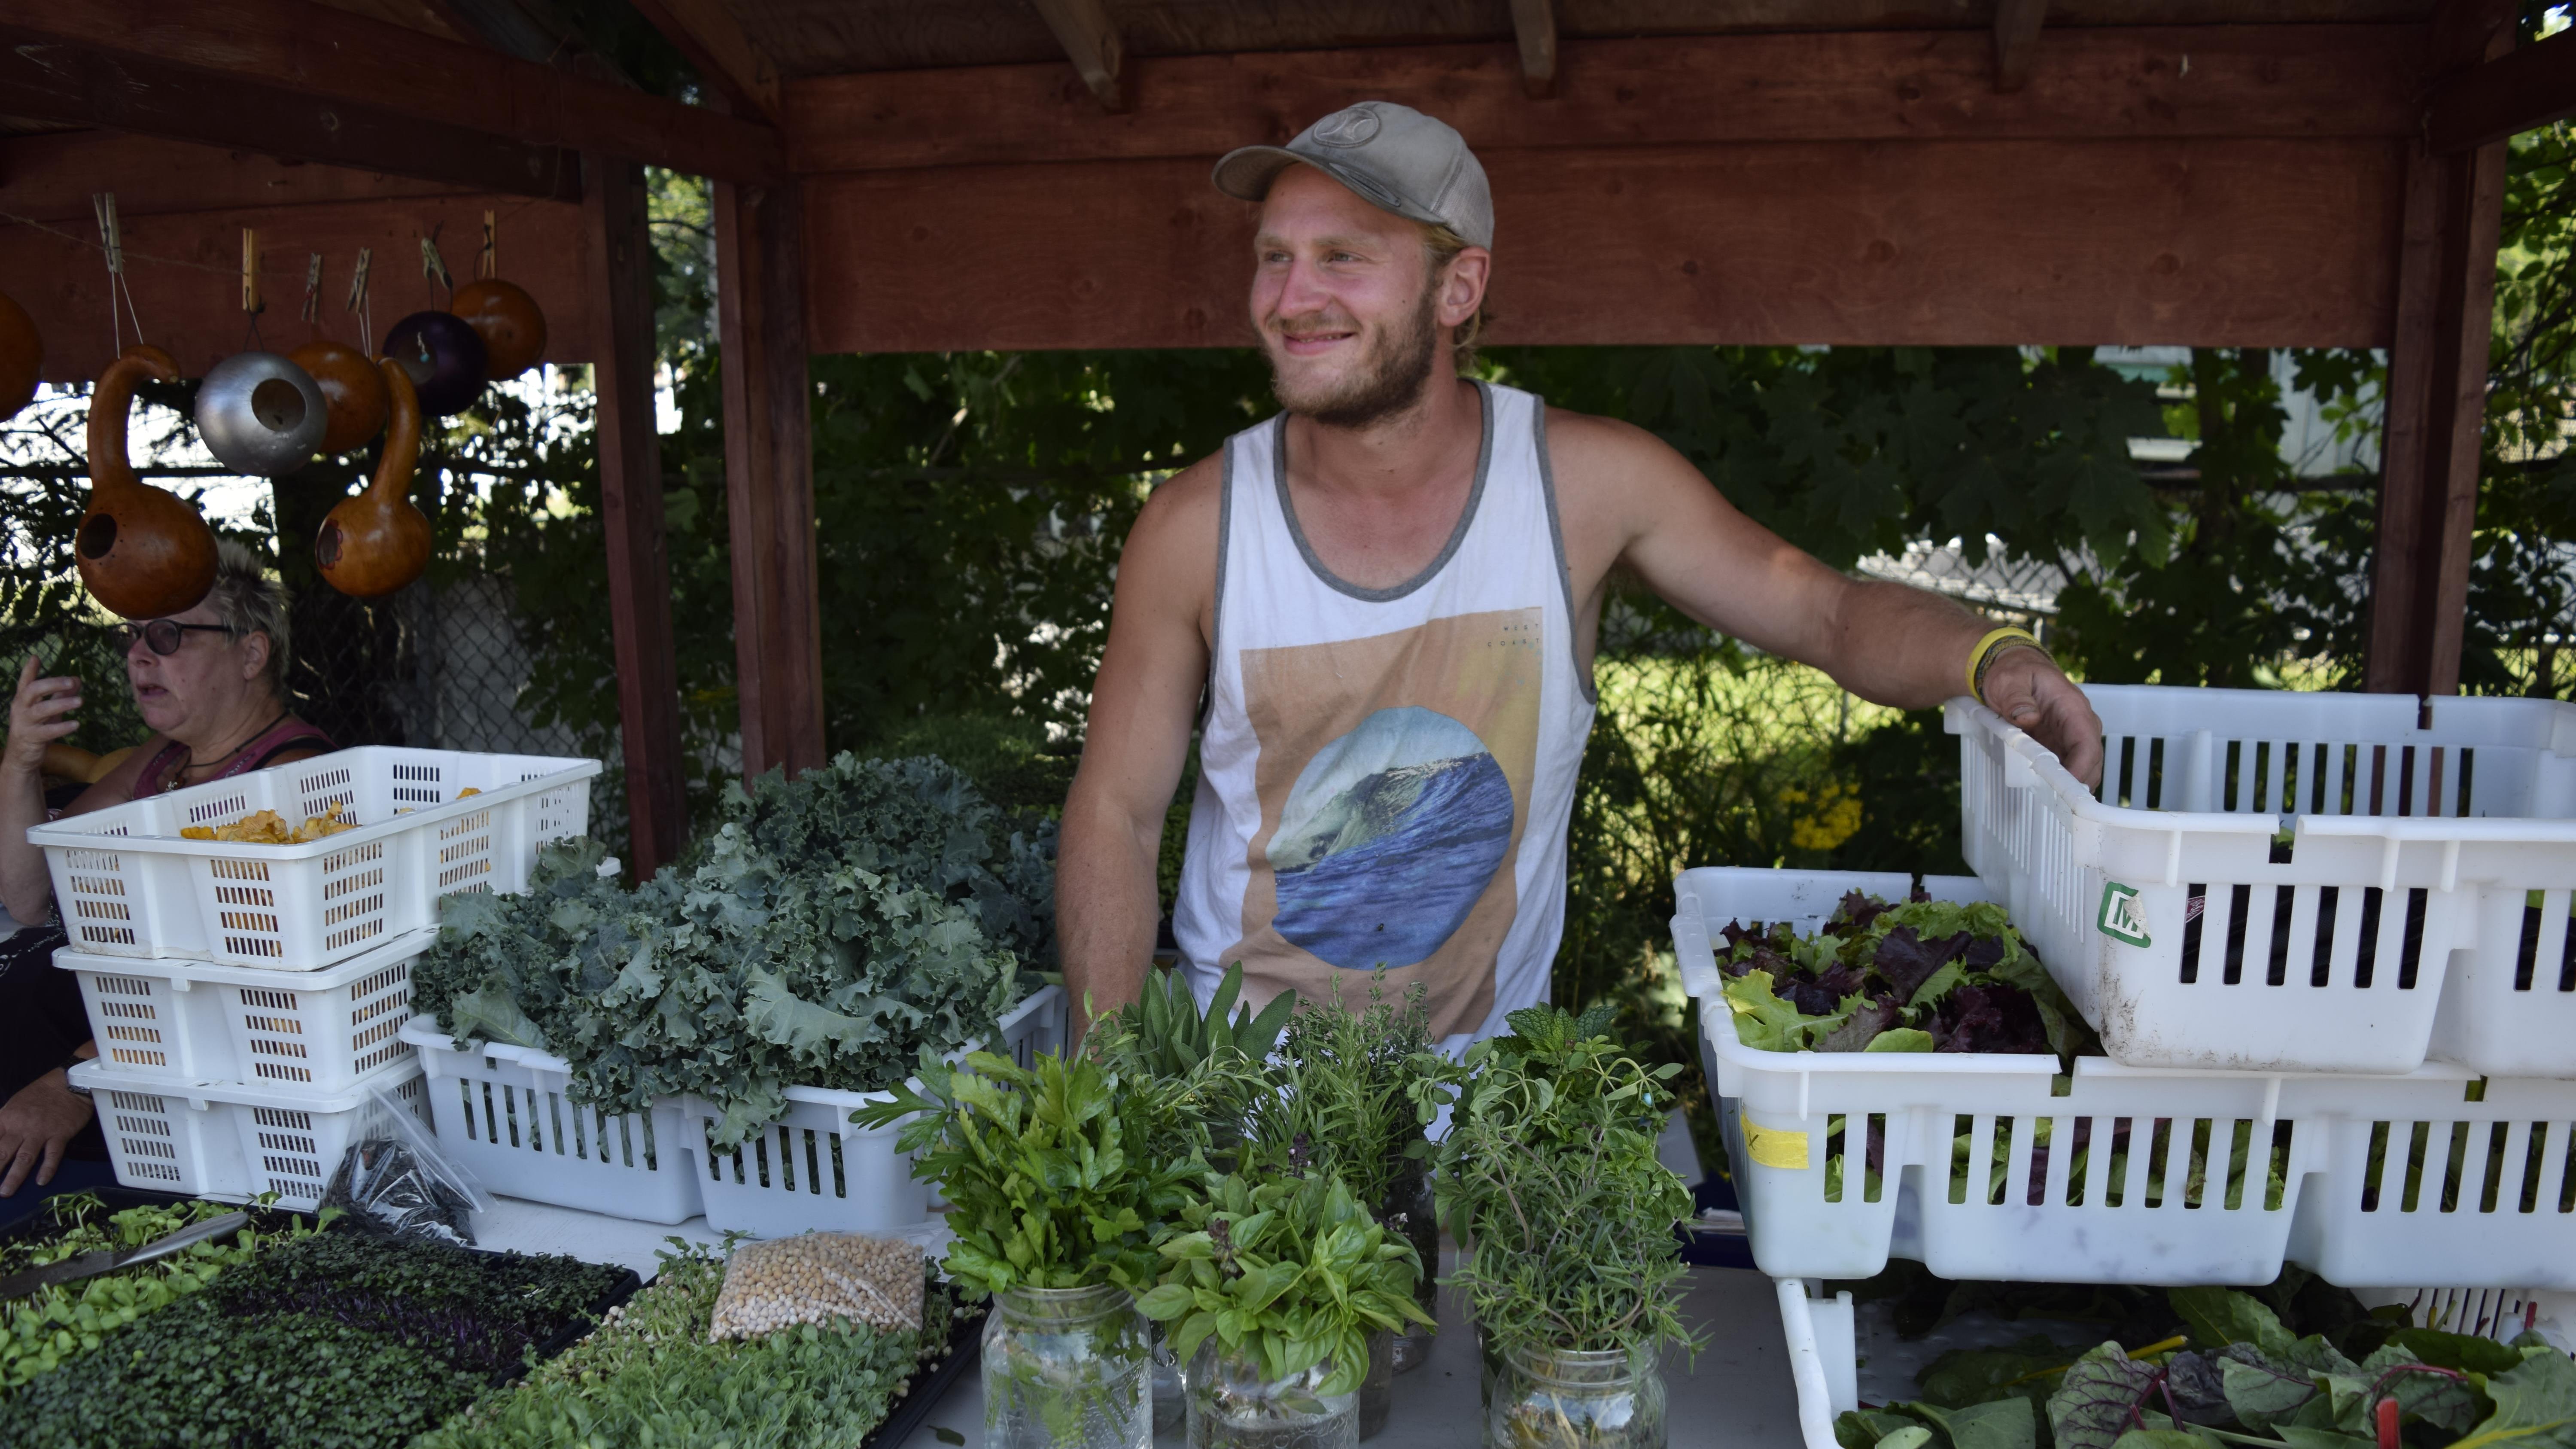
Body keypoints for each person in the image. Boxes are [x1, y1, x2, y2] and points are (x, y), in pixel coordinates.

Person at [1058, 101, 2105, 1048]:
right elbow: (1117, 813)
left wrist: (1988, 654)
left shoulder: (1588, 486)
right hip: (1237, 1089)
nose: (1292, 297)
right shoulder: (1198, 525)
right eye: (1274, 257)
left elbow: (1822, 611)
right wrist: (1111, 1087)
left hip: (1483, 1106)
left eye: (1343, 257)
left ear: (1459, 286)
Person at [0, 539, 333, 1195]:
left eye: (168, 634)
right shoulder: (165, 757)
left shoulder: (291, 779)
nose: (138, 654)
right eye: (134, 636)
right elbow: (31, 893)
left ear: (251, 652)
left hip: (150, 1110)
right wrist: (21, 762)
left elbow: (244, 990)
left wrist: (79, 1081)